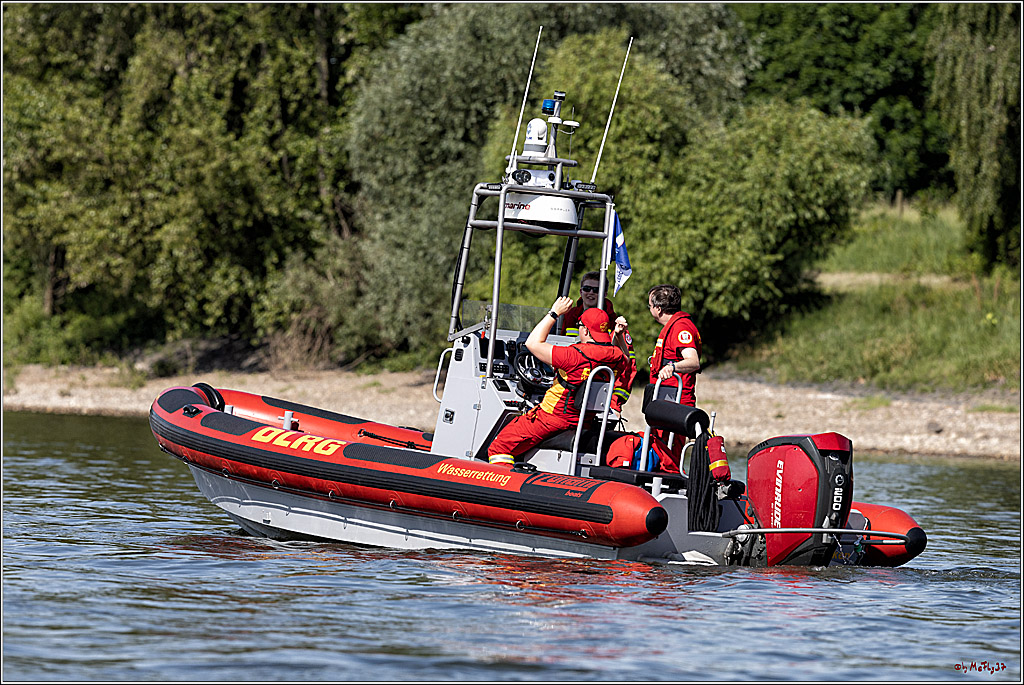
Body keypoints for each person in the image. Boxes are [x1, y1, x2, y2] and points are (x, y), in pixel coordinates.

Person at [487, 298, 633, 466]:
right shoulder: (615, 356)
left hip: (552, 418)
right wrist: (619, 336)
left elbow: (532, 343)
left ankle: (505, 485)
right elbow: (626, 360)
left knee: (499, 447)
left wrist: (554, 313)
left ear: (585, 330)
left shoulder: (573, 355)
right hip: (582, 420)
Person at [645, 284, 702, 470]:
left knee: (670, 453)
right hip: (664, 402)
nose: (650, 310)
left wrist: (672, 366)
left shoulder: (680, 328)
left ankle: (671, 486)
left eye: (650, 306)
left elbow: (693, 361)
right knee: (661, 451)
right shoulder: (673, 327)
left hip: (675, 403)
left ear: (658, 308)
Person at [562, 270, 636, 412]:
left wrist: (614, 403)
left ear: (605, 294)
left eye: (596, 290)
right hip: (569, 393)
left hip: (599, 397)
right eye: (587, 289)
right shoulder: (570, 316)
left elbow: (628, 367)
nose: (591, 293)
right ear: (580, 290)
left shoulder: (615, 324)